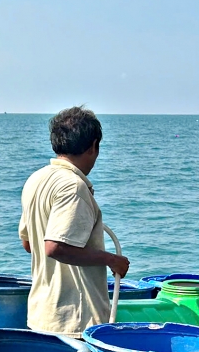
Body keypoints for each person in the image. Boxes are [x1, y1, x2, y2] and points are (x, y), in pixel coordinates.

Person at [18, 105, 130, 334]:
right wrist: (111, 260)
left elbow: (29, 244)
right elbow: (55, 247)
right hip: (74, 320)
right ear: (93, 146)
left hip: (41, 314)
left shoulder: (36, 179)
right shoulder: (73, 186)